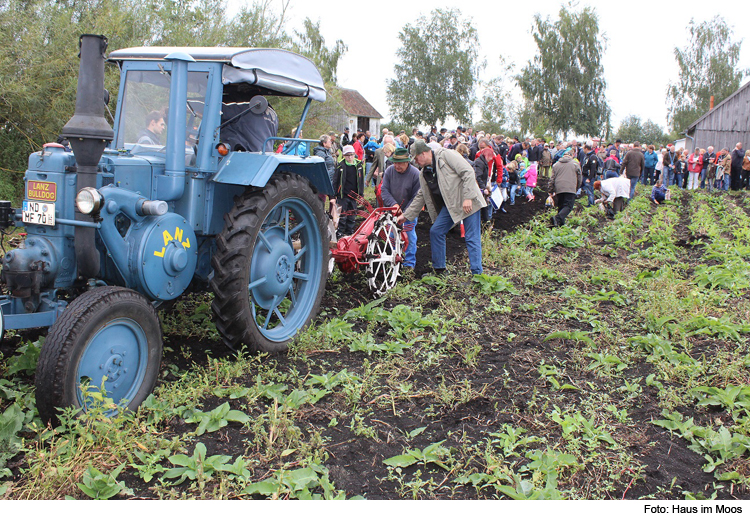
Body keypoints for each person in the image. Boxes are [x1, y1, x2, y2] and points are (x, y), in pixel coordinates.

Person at [396, 140, 486, 275]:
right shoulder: (424, 173)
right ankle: (440, 270)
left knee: (471, 237)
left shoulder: (446, 155)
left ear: (424, 153)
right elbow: (422, 196)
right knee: (436, 231)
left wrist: (468, 197)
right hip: (451, 205)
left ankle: (477, 275)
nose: (415, 161)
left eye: (416, 157)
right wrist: (406, 215)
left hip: (468, 201)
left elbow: (468, 172)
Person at [381, 148, 421, 269]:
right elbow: (384, 190)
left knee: (408, 236)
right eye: (395, 162)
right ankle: (394, 258)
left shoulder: (415, 174)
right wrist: (393, 205)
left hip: (409, 212)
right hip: (392, 211)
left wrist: (406, 212)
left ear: (407, 162)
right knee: (392, 235)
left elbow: (417, 197)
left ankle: (409, 263)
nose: (396, 166)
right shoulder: (389, 171)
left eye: (399, 163)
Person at [332, 145, 364, 238]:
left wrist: (360, 194)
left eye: (351, 155)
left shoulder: (359, 165)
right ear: (344, 156)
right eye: (347, 155)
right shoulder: (340, 166)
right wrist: (334, 194)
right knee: (342, 214)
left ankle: (350, 231)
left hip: (354, 194)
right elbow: (335, 181)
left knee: (352, 214)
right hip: (343, 194)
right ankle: (340, 232)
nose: (349, 157)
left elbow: (360, 181)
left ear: (354, 155)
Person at [549, 150, 582, 227]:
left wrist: (550, 189)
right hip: (570, 187)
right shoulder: (575, 164)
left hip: (559, 188)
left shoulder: (556, 165)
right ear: (571, 156)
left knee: (561, 206)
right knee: (568, 206)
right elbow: (580, 178)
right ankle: (557, 218)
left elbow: (552, 178)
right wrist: (576, 187)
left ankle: (560, 224)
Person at [474, 147, 494, 223]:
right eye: (490, 156)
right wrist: (483, 188)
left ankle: (486, 223)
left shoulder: (483, 162)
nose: (491, 158)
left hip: (482, 187)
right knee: (483, 206)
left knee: (484, 206)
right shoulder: (479, 163)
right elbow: (478, 177)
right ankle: (485, 223)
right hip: (479, 189)